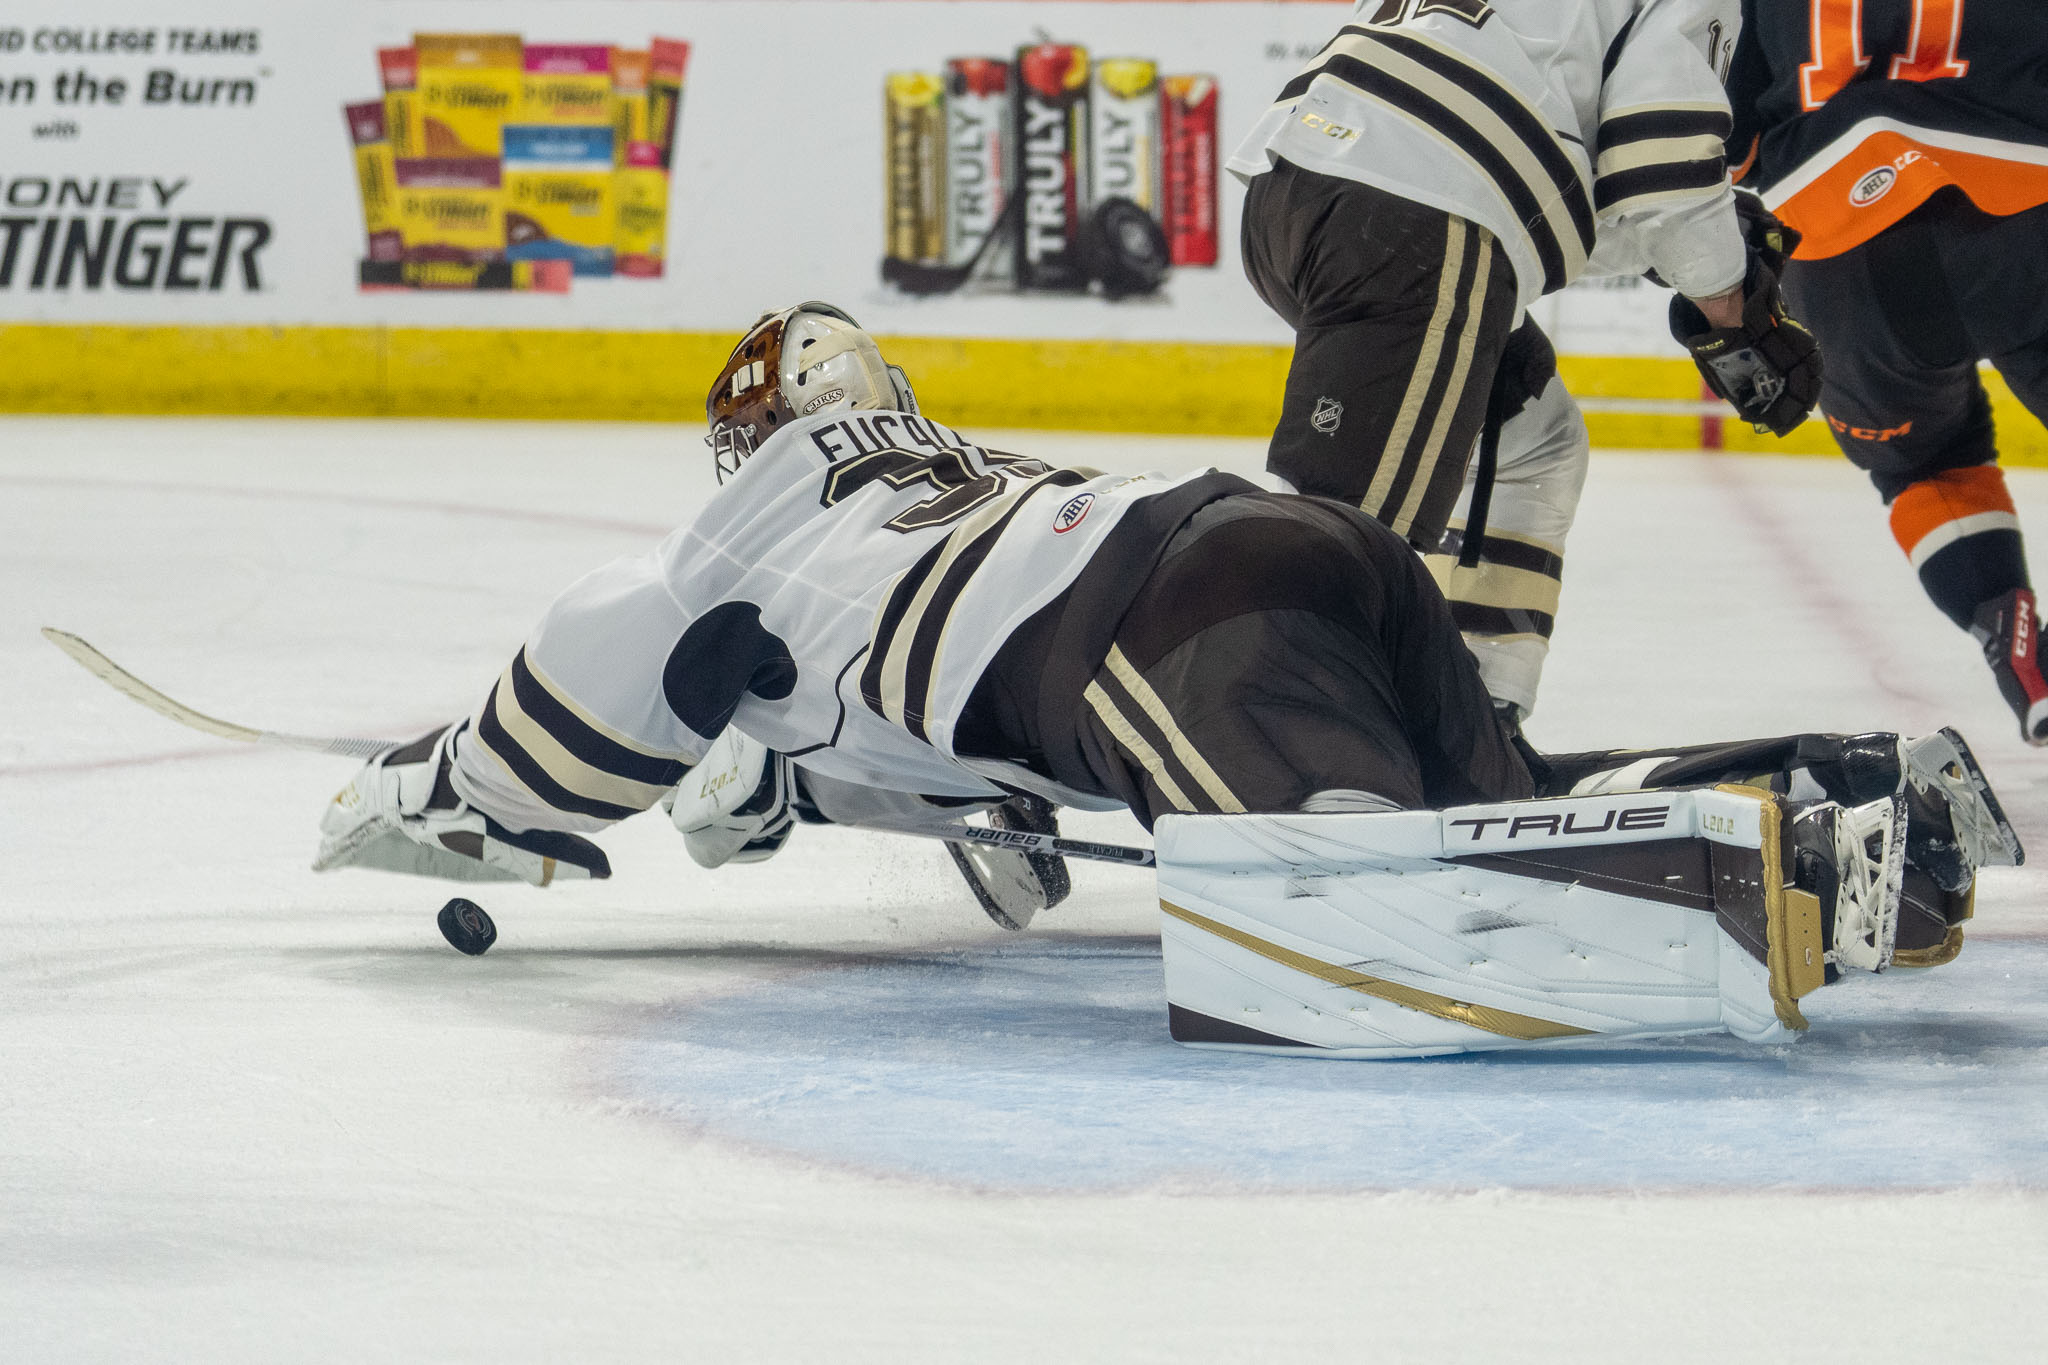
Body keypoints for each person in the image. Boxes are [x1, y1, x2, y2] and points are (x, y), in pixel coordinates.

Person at [312, 305, 2012, 1053]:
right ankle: (1855, 791)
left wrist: (412, 789)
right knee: (1492, 813)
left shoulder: (729, 542)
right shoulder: (950, 475)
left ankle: (1792, 882)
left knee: (1353, 928)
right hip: (1292, 547)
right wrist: (780, 782)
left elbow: (554, 743)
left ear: (740, 443)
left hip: (1157, 632)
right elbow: (941, 760)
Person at [1229, 0, 1825, 723]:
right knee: (1349, 533)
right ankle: (1268, 738)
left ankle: (1477, 719)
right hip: (1417, 212)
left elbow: (1535, 187)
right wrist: (1735, 312)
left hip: (1300, 181)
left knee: (1531, 440)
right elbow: (1661, 163)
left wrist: (1686, 243)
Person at [1724, 0, 2048, 744]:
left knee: (1924, 463)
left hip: (1836, 249)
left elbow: (1723, 147)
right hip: (2024, 202)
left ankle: (2012, 635)